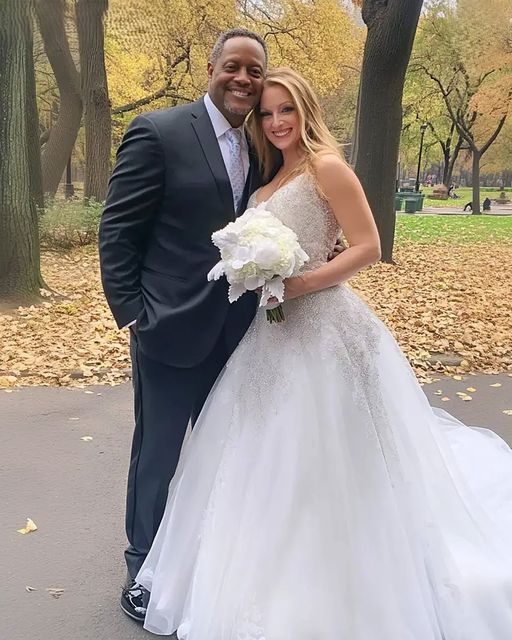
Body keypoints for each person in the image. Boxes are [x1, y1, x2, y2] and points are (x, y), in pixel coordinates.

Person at [137, 68, 512, 639]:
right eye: (267, 113)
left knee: (331, 453)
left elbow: (369, 246)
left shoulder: (327, 168)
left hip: (327, 329)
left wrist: (302, 284)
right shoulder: (272, 175)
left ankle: (343, 580)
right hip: (272, 334)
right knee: (264, 455)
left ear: (306, 109)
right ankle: (260, 575)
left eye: (286, 109)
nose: (276, 121)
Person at [99, 28, 270, 621]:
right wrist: (133, 314)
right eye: (233, 66)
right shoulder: (159, 132)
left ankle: (210, 562)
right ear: (211, 68)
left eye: (254, 71)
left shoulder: (263, 144)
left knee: (227, 452)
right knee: (159, 455)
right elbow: (118, 230)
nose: (242, 79)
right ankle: (143, 564)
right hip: (168, 329)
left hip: (241, 332)